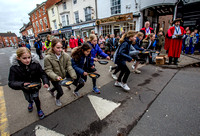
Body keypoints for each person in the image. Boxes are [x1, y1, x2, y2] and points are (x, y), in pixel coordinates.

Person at [8, 47, 49, 119]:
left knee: (36, 98)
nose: (27, 60)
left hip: (35, 85)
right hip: (25, 88)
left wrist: (45, 82)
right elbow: (11, 82)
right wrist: (22, 84)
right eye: (24, 58)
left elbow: (42, 73)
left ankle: (39, 109)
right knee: (28, 98)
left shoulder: (35, 64)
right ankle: (30, 102)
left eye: (29, 57)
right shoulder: (14, 68)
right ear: (18, 58)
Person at [44, 38, 77, 107]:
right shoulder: (47, 58)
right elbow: (48, 70)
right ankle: (57, 98)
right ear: (52, 47)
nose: (60, 50)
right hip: (54, 78)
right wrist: (56, 77)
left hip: (62, 76)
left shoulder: (66, 56)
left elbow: (69, 67)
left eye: (61, 47)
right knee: (60, 92)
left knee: (57, 87)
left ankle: (51, 90)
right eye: (58, 48)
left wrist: (73, 75)